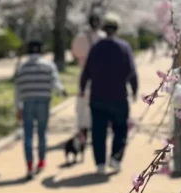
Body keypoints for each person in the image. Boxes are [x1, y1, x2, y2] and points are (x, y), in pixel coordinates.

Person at [79, 13, 138, 176]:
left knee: (98, 131)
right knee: (120, 128)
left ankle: (100, 163)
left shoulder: (96, 48)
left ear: (104, 29)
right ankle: (116, 158)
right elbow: (131, 71)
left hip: (97, 96)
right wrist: (134, 90)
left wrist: (82, 89)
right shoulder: (124, 47)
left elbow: (86, 71)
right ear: (117, 29)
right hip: (118, 96)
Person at [14, 39, 67, 178]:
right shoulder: (48, 66)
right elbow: (55, 81)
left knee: (28, 135)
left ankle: (30, 164)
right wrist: (62, 91)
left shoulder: (22, 68)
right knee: (42, 133)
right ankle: (42, 160)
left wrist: (17, 108)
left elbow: (17, 90)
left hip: (27, 102)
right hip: (43, 102)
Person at [70, 13, 105, 141]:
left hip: (85, 73)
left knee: (82, 104)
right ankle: (95, 129)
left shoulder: (80, 37)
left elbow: (75, 53)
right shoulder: (104, 37)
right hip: (101, 77)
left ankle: (83, 130)